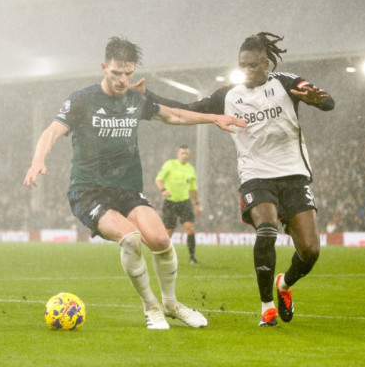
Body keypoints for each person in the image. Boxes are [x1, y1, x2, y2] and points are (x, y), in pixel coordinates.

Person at [23, 37, 245, 330]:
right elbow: (52, 130)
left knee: (161, 240)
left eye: (128, 73)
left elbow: (175, 115)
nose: (122, 80)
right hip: (88, 192)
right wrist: (38, 158)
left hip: (127, 190)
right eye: (116, 73)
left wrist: (213, 118)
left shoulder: (136, 99)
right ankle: (151, 307)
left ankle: (171, 304)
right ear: (103, 68)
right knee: (130, 238)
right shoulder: (83, 99)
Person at [136, 32, 334, 326]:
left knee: (310, 251)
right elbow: (187, 108)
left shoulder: (287, 83)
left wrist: (321, 101)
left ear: (266, 63)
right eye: (243, 65)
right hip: (256, 176)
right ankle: (267, 307)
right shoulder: (228, 95)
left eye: (253, 65)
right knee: (266, 230)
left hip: (293, 176)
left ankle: (284, 284)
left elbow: (325, 100)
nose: (248, 71)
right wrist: (147, 97)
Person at [156, 145, 201, 265]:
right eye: (182, 153)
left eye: (186, 153)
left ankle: (192, 257)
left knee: (190, 228)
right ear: (178, 154)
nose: (184, 155)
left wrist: (197, 203)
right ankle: (163, 256)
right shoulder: (169, 165)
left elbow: (193, 188)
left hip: (184, 202)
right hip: (170, 202)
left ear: (189, 155)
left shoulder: (190, 169)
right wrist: (163, 190)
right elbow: (159, 179)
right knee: (169, 231)